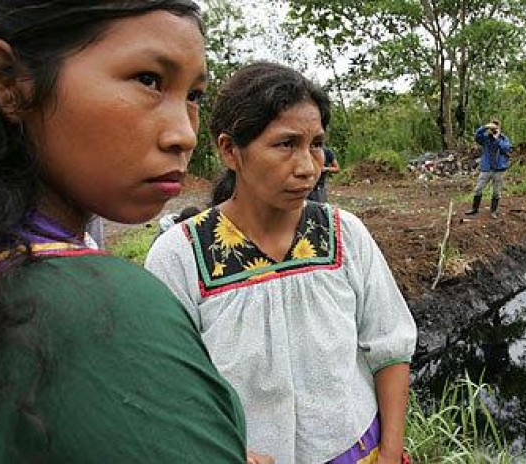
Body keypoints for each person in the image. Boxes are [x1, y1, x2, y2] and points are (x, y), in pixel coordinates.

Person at [0, 1, 248, 461]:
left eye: (193, 96)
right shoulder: (106, 309)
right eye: (149, 80)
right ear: (9, 80)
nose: (185, 134)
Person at [146, 61, 417, 464]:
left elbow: (390, 345)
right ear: (229, 150)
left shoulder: (344, 234)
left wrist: (392, 451)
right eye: (285, 144)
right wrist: (227, 450)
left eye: (316, 144)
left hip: (359, 451)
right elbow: (167, 385)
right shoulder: (181, 255)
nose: (309, 167)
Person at [465, 119, 512, 219]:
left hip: (499, 169)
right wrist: (485, 127)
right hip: (486, 168)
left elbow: (506, 148)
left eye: (495, 128)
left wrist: (497, 138)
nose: (493, 130)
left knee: (496, 192)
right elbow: (476, 137)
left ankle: (493, 211)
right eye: (492, 128)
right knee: (478, 189)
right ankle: (474, 209)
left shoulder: (503, 139)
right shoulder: (485, 138)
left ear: (499, 128)